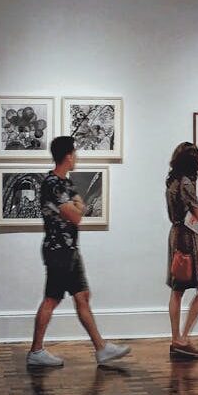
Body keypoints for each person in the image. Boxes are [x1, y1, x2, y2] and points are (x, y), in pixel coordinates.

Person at [27, 136, 132, 367]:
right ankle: (36, 351)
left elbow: (79, 207)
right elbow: (76, 214)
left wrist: (75, 208)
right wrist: (75, 208)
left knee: (82, 296)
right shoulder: (52, 184)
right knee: (52, 299)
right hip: (58, 251)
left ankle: (101, 349)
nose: (76, 157)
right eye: (74, 153)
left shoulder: (66, 183)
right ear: (67, 155)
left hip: (70, 250)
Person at [165, 142, 198, 359]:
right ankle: (183, 338)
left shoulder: (172, 181)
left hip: (176, 234)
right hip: (188, 237)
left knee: (177, 291)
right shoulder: (186, 183)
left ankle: (177, 339)